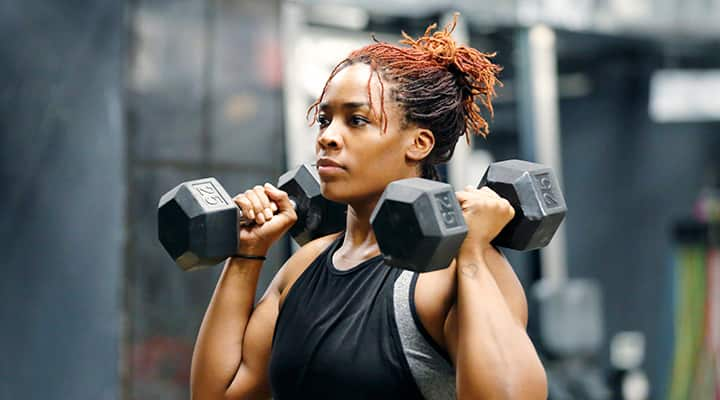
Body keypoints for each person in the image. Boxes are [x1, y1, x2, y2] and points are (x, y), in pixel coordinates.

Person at [190, 15, 547, 400]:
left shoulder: (453, 269)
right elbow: (218, 394)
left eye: (356, 120)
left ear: (419, 143)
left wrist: (474, 253)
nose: (327, 137)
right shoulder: (304, 265)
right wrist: (246, 254)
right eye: (325, 119)